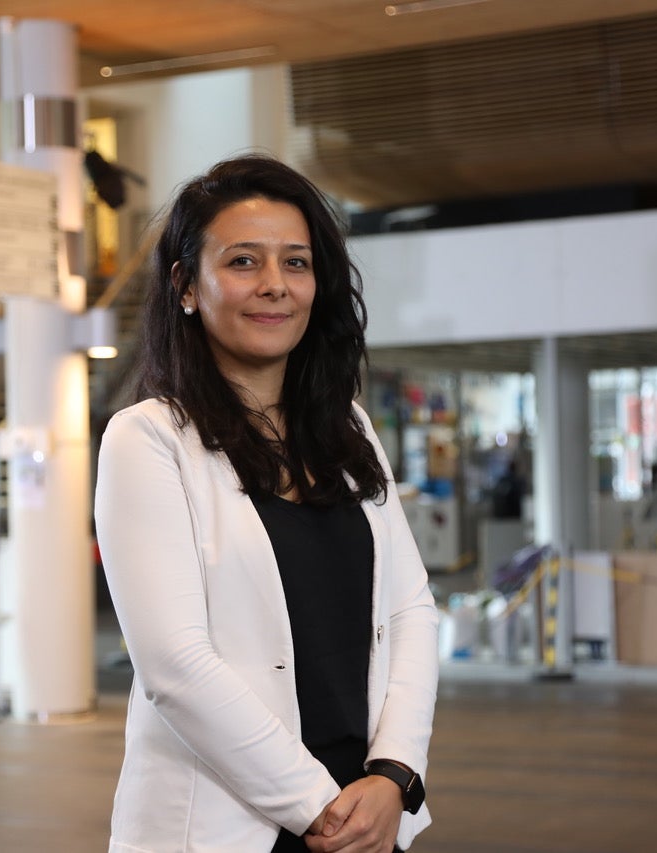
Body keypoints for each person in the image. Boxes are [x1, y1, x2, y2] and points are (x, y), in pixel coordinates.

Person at [94, 155, 440, 852]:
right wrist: (320, 806)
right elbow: (174, 665)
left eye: (296, 263)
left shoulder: (348, 426)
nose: (276, 286)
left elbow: (409, 608)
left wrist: (394, 775)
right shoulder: (148, 439)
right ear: (187, 285)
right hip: (236, 824)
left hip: (369, 812)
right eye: (244, 262)